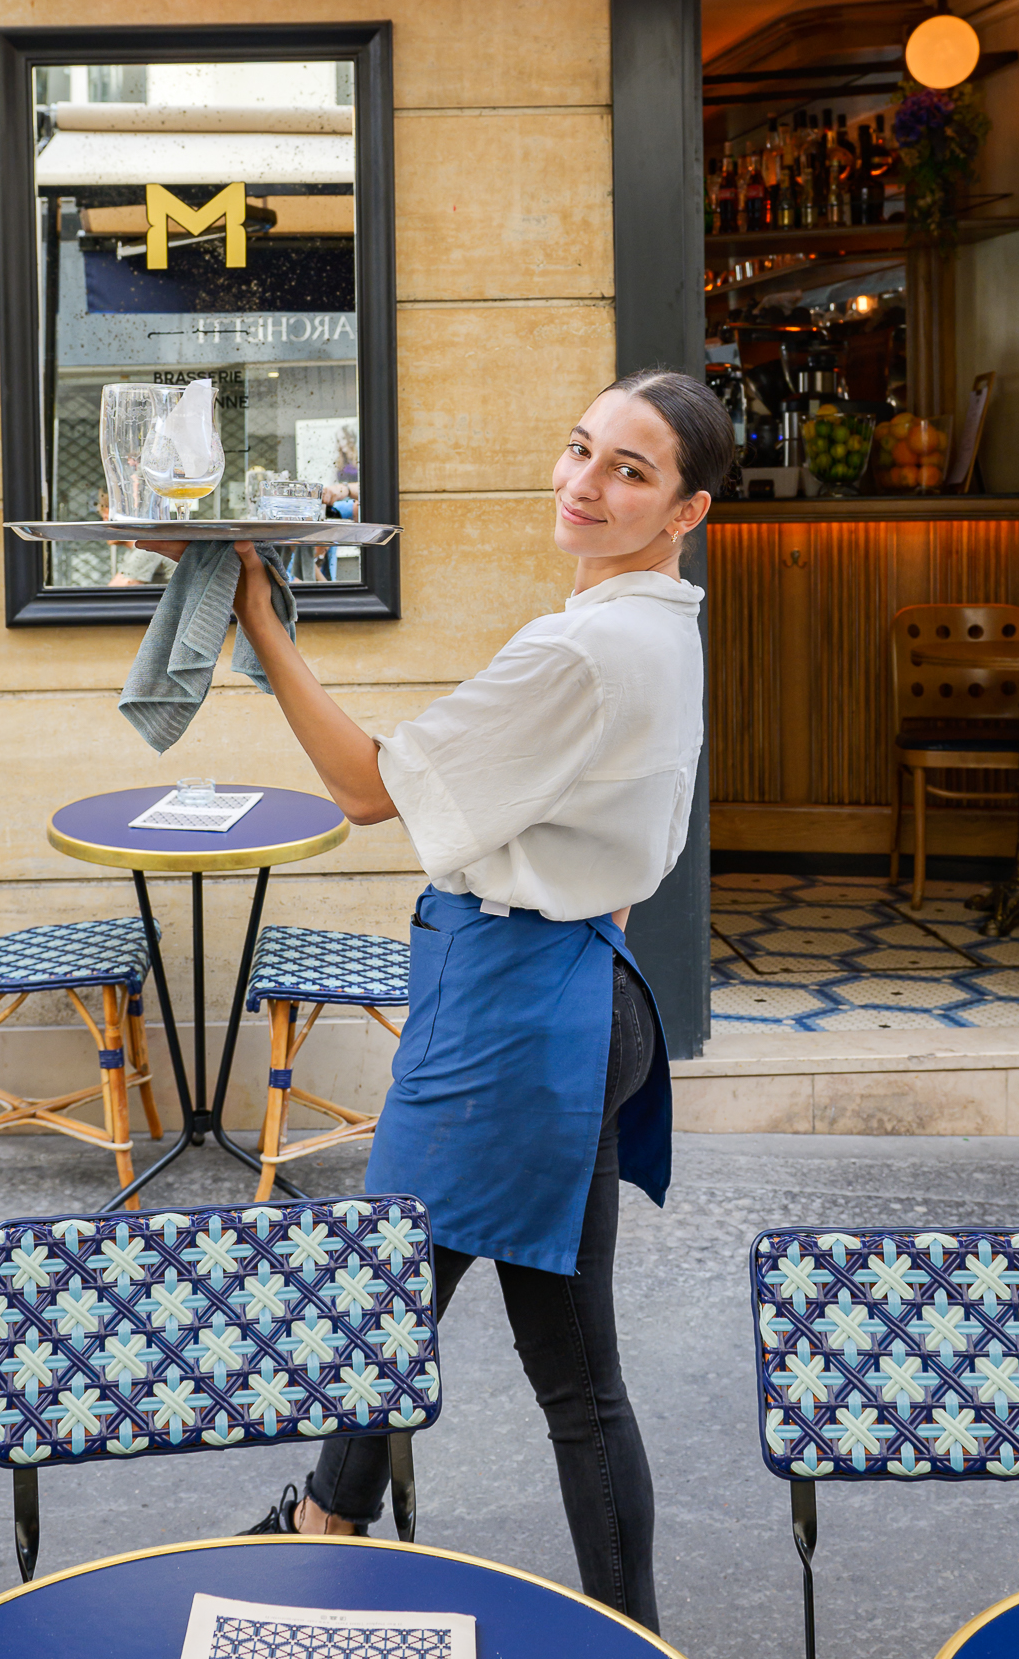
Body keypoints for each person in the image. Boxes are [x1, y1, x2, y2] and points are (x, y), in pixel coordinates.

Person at [232, 368, 734, 1634]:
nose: (586, 482)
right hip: (579, 988)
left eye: (630, 470)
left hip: (517, 1016)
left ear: (687, 510)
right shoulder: (662, 626)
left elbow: (365, 790)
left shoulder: (583, 647)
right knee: (452, 1310)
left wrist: (264, 630)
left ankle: (333, 1543)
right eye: (581, 447)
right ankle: (340, 1524)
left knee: (419, 1306)